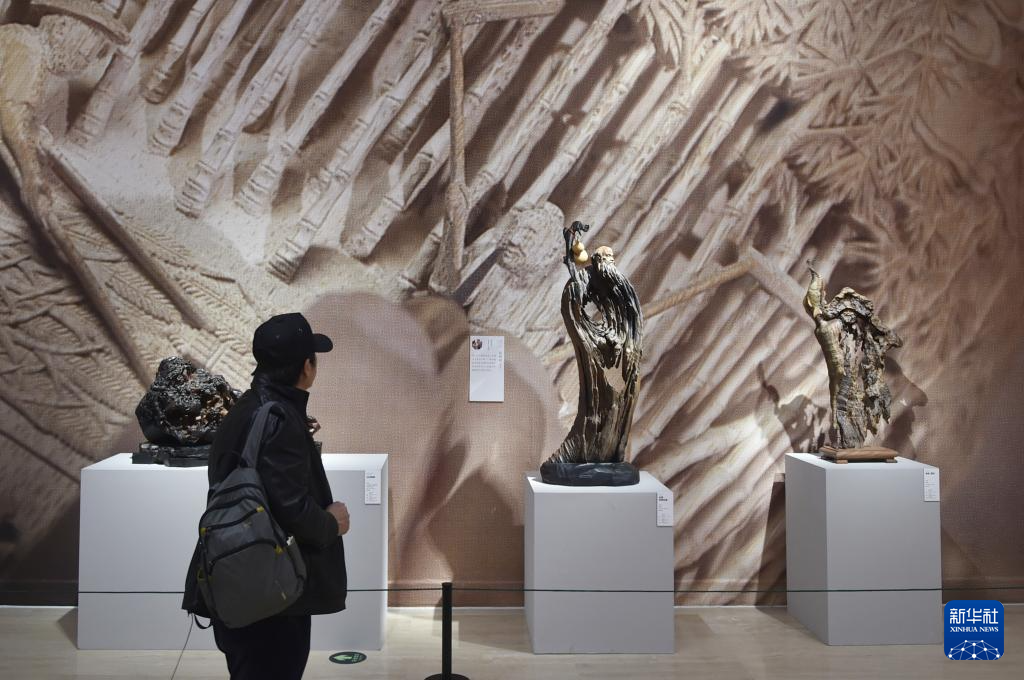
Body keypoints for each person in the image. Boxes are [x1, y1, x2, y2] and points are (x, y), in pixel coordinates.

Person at [183, 312, 350, 680]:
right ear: (306, 367)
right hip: (272, 592)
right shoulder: (280, 419)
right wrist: (332, 523)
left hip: (235, 574)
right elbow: (291, 508)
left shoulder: (245, 409)